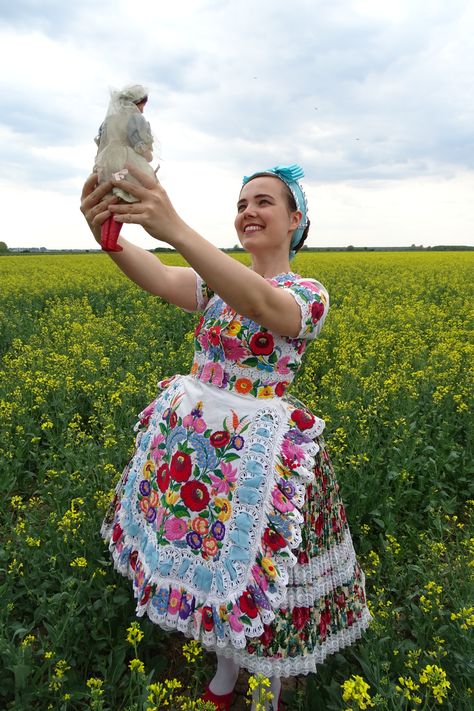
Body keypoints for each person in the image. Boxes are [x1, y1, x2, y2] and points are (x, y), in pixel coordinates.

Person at [80, 162, 372, 710]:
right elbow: (161, 277)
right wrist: (105, 232)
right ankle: (223, 670)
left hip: (261, 461)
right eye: (241, 204)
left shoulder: (309, 293)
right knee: (217, 568)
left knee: (265, 583)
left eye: (263, 202)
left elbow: (263, 306)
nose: (248, 212)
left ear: (295, 220)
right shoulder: (216, 283)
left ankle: (268, 687)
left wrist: (178, 230)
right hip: (204, 453)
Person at [93, 83, 156, 252]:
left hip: (107, 162)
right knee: (120, 198)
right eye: (143, 105)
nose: (143, 109)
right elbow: (139, 144)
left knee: (109, 199)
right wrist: (147, 155)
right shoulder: (135, 118)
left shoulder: (109, 119)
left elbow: (101, 142)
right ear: (138, 102)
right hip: (125, 162)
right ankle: (111, 242)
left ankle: (105, 241)